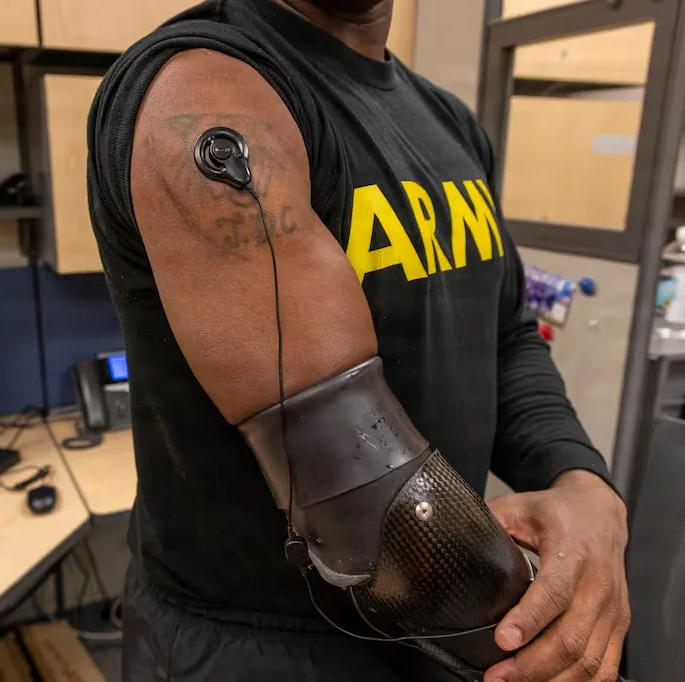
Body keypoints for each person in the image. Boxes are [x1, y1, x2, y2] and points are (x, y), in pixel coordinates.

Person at [86, 0, 630, 680]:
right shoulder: (203, 96)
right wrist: (547, 639)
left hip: (435, 620)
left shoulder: (448, 123)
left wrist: (582, 485)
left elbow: (508, 339)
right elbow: (363, 492)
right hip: (265, 652)